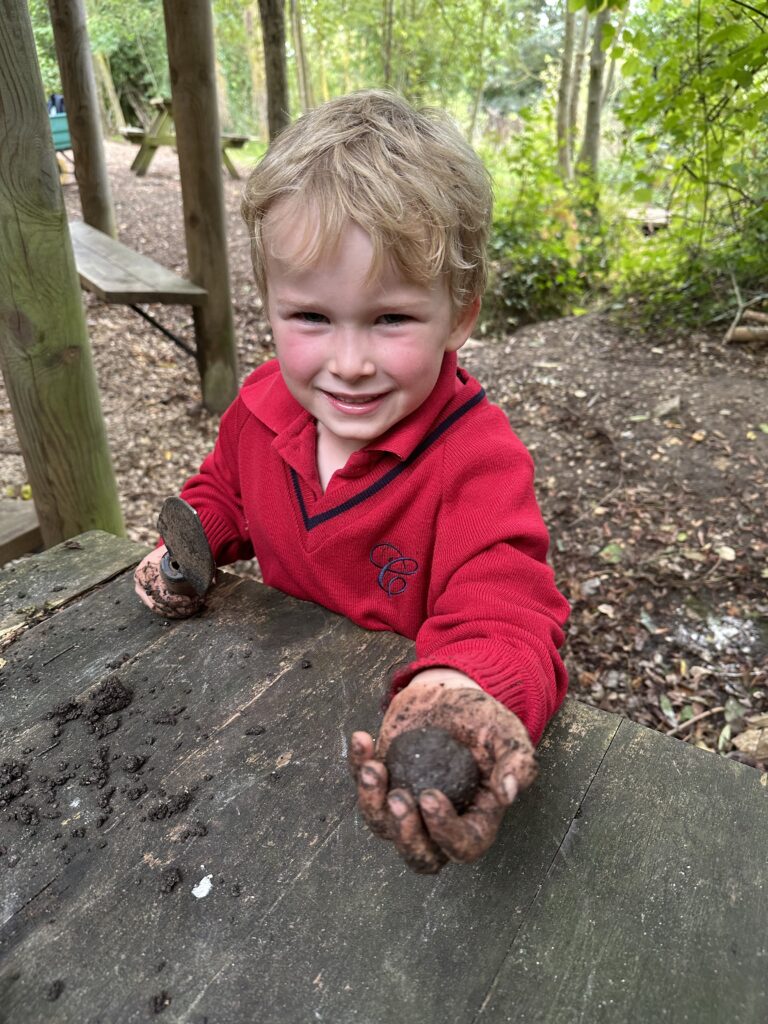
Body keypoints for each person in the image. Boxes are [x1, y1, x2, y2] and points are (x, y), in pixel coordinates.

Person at [134, 90, 570, 875]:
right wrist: (187, 543)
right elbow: (226, 492)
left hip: (383, 748)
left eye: (391, 319)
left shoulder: (476, 460)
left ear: (459, 314)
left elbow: (505, 604)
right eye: (311, 318)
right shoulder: (262, 408)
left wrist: (455, 692)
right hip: (265, 729)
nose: (348, 362)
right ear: (268, 307)